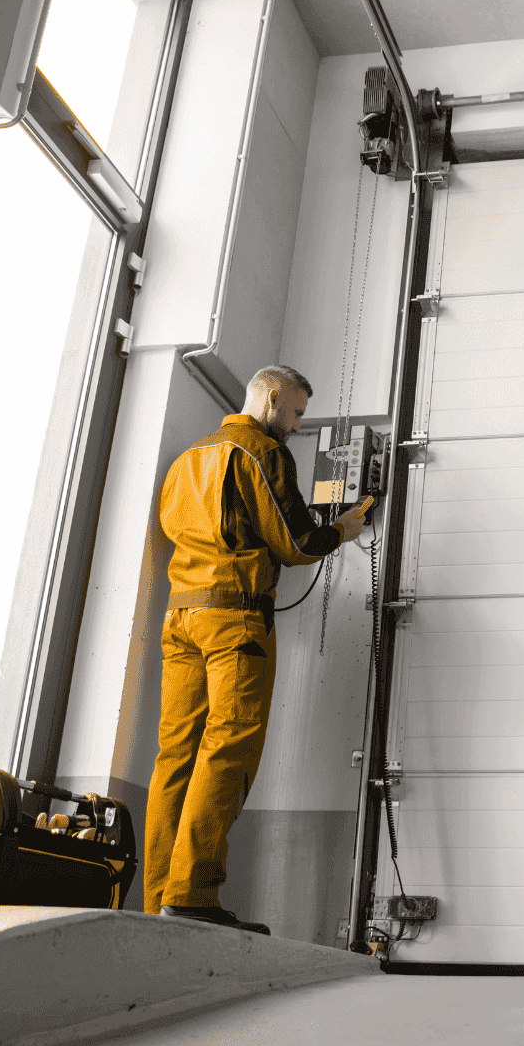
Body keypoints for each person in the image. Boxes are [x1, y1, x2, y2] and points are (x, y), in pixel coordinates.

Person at [145, 364, 368, 933]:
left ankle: (156, 903)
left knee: (176, 757)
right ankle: (192, 896)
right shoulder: (258, 452)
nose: (295, 425)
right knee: (228, 749)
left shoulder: (187, 459)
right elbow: (296, 543)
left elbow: (178, 529)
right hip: (233, 623)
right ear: (270, 398)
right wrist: (343, 527)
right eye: (294, 412)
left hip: (181, 617)